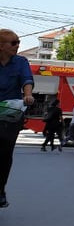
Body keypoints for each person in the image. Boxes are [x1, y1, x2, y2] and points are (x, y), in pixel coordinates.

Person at [0, 29, 35, 207]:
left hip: (10, 113)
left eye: (18, 42)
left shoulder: (21, 62)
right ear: (1, 45)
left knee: (5, 153)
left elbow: (26, 80)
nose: (17, 45)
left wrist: (27, 96)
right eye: (13, 43)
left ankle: (0, 190)